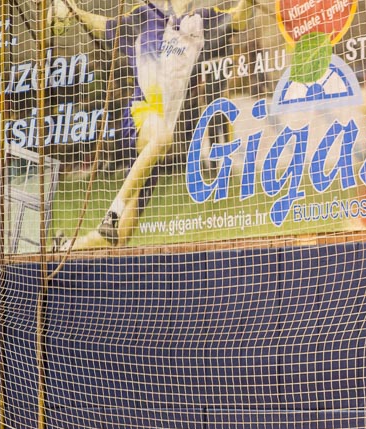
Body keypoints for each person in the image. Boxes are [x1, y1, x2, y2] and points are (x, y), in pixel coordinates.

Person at [49, 0, 252, 250]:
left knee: (119, 238)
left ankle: (64, 247)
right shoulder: (144, 15)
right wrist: (75, 11)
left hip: (157, 143)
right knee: (164, 138)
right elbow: (105, 25)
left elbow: (238, 20)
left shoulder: (202, 19)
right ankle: (112, 214)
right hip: (140, 115)